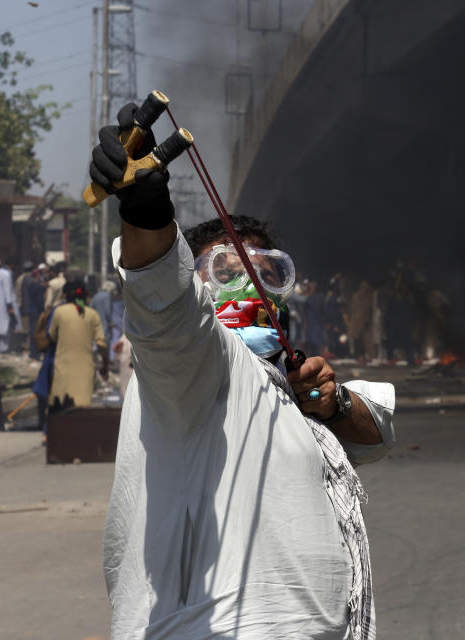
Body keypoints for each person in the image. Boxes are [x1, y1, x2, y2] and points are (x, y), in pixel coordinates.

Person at [89, 103, 396, 639]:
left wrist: (331, 402)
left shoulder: (282, 379)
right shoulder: (198, 363)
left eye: (264, 273)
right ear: (199, 288)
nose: (247, 288)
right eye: (224, 273)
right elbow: (165, 311)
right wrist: (146, 212)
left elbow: (377, 434)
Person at [47, 281, 108, 408]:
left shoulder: (59, 312)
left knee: (60, 409)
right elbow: (102, 344)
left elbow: (51, 336)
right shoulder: (92, 314)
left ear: (65, 296)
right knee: (82, 410)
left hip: (62, 367)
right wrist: (105, 365)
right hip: (85, 370)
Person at [0, 257, 22, 353]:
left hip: (0, 304)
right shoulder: (7, 274)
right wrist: (10, 306)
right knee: (7, 327)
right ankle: (4, 348)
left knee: (3, 326)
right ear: (12, 265)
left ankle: (2, 347)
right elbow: (7, 291)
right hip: (6, 304)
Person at [24, 266, 47, 360]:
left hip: (33, 310)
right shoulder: (36, 286)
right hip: (36, 311)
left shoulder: (33, 284)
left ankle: (34, 353)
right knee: (36, 332)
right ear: (37, 275)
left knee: (33, 331)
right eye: (40, 274)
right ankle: (35, 353)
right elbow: (39, 301)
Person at [90, 279, 117, 350]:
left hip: (95, 323)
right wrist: (110, 321)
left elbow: (91, 307)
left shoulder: (96, 295)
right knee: (105, 344)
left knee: (96, 342)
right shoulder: (107, 296)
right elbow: (107, 310)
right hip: (105, 323)